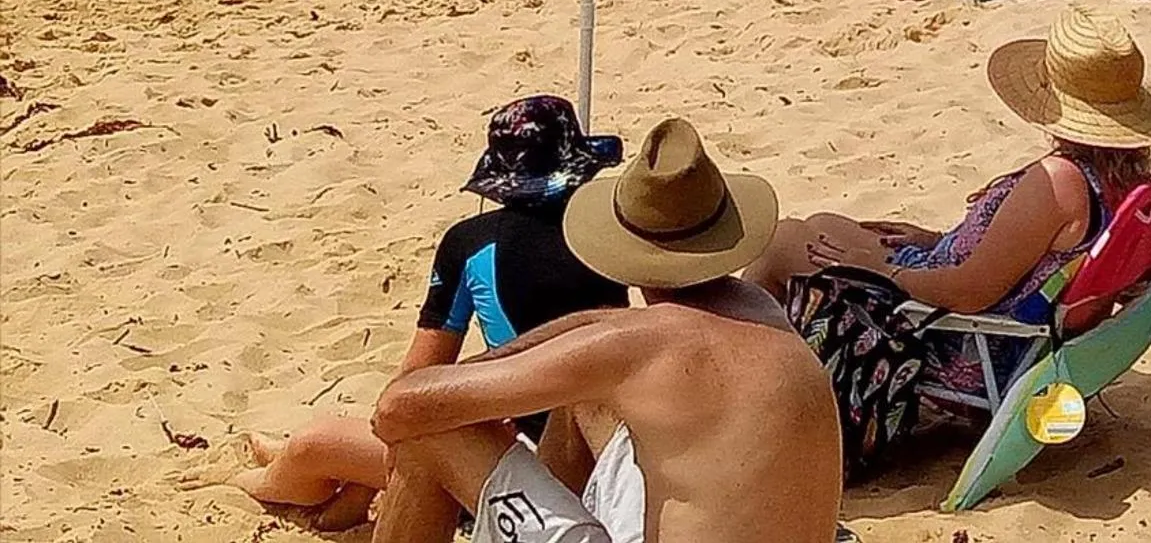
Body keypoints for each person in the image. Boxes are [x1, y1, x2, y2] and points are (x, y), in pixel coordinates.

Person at [369, 118, 842, 543]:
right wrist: (511, 358)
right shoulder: (756, 308)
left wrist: (468, 390)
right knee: (588, 398)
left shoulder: (633, 349)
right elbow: (608, 329)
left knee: (429, 432)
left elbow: (396, 409)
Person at [232, 97, 628, 530]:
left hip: (525, 461)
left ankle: (250, 481)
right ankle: (296, 463)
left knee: (315, 444)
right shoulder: (616, 232)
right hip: (615, 454)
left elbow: (418, 377)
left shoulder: (473, 242)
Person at [747, 5, 1151, 396]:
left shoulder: (1060, 182)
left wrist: (881, 269)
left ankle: (755, 391)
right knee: (824, 223)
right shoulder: (1125, 182)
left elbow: (969, 291)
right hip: (998, 321)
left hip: (963, 341)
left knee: (779, 244)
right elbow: (1024, 257)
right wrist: (934, 239)